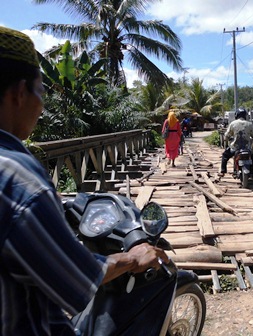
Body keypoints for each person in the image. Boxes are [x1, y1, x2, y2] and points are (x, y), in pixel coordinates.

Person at [0, 26, 169, 335]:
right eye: (41, 91)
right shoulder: (19, 178)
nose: (42, 105)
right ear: (19, 92)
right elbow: (77, 276)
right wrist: (131, 257)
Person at [219, 107, 253, 176]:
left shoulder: (233, 124)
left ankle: (223, 171)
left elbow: (226, 135)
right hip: (246, 148)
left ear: (236, 115)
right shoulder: (249, 124)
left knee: (225, 156)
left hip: (235, 148)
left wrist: (226, 139)